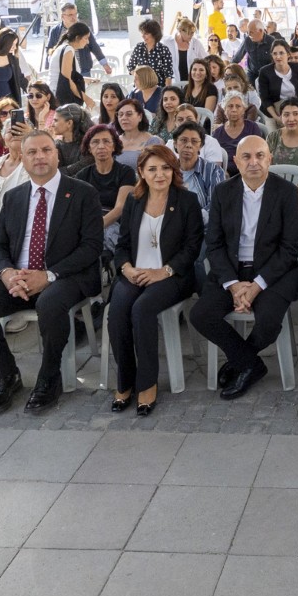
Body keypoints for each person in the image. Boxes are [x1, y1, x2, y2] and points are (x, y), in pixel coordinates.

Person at [0, 130, 104, 412]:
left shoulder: (82, 192)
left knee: (50, 304)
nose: (39, 157)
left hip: (66, 275)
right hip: (19, 275)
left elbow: (91, 246)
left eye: (46, 150)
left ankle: (50, 377)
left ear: (56, 154)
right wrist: (6, 274)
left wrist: (48, 275)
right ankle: (7, 374)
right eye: (32, 152)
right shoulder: (14, 196)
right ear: (22, 158)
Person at [190, 135, 298, 400]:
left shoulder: (286, 193)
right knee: (201, 315)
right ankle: (250, 363)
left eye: (260, 156)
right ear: (235, 162)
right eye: (246, 157)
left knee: (267, 321)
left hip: (273, 272)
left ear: (270, 159)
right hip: (231, 271)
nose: (254, 162)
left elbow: (289, 248)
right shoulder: (223, 192)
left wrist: (257, 286)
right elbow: (214, 243)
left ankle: (239, 361)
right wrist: (232, 285)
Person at [103, 144, 204, 417]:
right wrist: (125, 268)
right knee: (117, 311)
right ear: (142, 173)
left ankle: (147, 383)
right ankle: (125, 382)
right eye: (152, 169)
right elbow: (122, 244)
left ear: (174, 170)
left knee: (142, 309)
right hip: (135, 272)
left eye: (165, 168)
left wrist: (164, 271)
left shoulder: (187, 201)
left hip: (173, 276)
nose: (160, 175)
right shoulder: (134, 202)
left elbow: (192, 248)